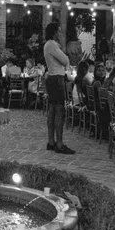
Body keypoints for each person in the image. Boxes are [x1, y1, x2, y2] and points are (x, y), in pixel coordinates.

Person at [43, 22, 75, 154]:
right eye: (59, 31)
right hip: (57, 79)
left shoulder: (48, 45)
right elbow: (65, 60)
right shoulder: (52, 44)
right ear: (55, 32)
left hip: (52, 78)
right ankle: (59, 144)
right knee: (59, 111)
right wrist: (65, 58)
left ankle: (51, 141)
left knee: (52, 110)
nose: (60, 34)